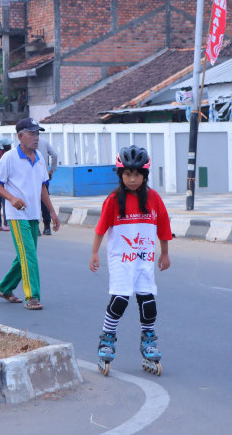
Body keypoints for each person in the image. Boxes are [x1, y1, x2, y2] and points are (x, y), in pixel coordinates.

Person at [89, 145, 172, 375]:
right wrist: (95, 253)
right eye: (127, 174)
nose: (132, 179)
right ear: (120, 175)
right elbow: (101, 229)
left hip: (143, 258)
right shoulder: (114, 199)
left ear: (144, 176)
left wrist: (164, 253)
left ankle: (148, 342)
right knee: (120, 300)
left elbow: (164, 228)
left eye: (137, 174)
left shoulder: (154, 199)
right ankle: (107, 340)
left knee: (148, 302)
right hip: (121, 259)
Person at [0, 118, 60, 310]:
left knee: (25, 254)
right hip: (16, 215)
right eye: (32, 133)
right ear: (20, 136)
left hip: (34, 214)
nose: (36, 137)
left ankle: (4, 287)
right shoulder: (9, 158)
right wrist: (12, 198)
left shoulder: (39, 158)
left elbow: (42, 188)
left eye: (38, 133)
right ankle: (32, 297)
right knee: (29, 255)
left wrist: (53, 213)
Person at [39, 138, 58, 236]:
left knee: (34, 202)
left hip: (31, 179)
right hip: (44, 176)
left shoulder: (25, 144)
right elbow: (54, 155)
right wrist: (51, 170)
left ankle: (36, 228)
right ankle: (47, 228)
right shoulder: (44, 142)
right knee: (45, 201)